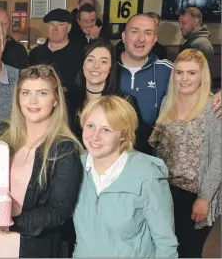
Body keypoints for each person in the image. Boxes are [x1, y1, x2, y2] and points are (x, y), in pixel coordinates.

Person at [0, 64, 83, 258]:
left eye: (42, 93)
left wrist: (11, 221)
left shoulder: (64, 149)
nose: (32, 101)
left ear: (56, 100)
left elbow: (58, 212)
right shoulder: (0, 134)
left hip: (28, 249)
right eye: (26, 92)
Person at [73, 95, 178, 257]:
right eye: (90, 126)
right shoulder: (75, 168)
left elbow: (166, 244)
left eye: (106, 129)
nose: (94, 136)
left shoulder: (147, 176)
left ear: (124, 134)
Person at [149, 49, 221, 258]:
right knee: (164, 248)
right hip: (164, 190)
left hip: (195, 194)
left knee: (189, 250)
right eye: (179, 72)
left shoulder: (212, 107)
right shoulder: (167, 103)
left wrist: (205, 198)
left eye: (191, 73)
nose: (184, 78)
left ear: (202, 76)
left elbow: (219, 157)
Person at [117, 13, 221, 155]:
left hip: (151, 156)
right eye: (134, 31)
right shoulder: (107, 68)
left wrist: (218, 94)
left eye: (148, 33)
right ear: (124, 36)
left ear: (154, 40)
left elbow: (195, 89)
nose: (140, 38)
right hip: (111, 152)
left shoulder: (167, 69)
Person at [68, 38, 138, 146]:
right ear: (83, 64)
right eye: (90, 60)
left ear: (110, 67)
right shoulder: (66, 99)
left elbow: (130, 142)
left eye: (103, 61)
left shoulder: (124, 101)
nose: (96, 66)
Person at [29, 8, 83, 94]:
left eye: (60, 25)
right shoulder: (35, 53)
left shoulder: (79, 54)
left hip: (69, 105)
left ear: (69, 28)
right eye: (51, 25)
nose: (55, 29)